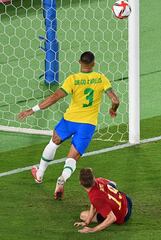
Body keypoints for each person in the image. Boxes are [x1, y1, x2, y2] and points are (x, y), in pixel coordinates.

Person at [18, 51, 120, 199]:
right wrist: (112, 109)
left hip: (69, 120)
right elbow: (115, 100)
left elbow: (55, 97)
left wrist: (33, 110)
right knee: (72, 157)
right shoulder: (101, 78)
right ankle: (62, 179)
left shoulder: (73, 79)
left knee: (53, 142)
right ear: (93, 64)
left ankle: (39, 174)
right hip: (87, 124)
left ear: (79, 62)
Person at [74, 168, 132, 233]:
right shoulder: (99, 179)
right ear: (93, 178)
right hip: (127, 200)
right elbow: (114, 184)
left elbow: (112, 218)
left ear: (80, 183)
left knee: (83, 215)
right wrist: (87, 222)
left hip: (124, 215)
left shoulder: (95, 197)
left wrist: (92, 230)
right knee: (109, 186)